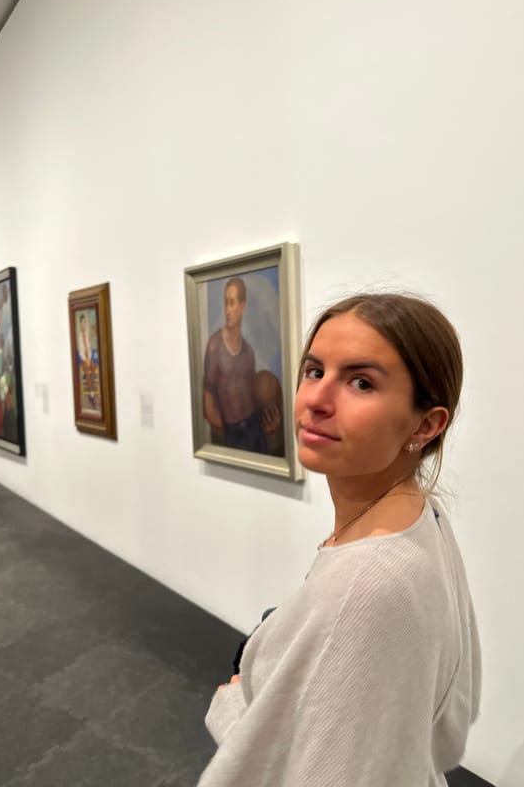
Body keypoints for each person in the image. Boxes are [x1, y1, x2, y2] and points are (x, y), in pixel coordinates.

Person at [197, 292, 481, 787]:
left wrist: (235, 701)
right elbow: (448, 719)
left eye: (361, 382)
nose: (316, 401)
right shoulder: (418, 514)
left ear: (425, 424)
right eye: (314, 371)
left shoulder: (365, 583)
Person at [203, 277, 280, 453]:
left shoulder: (248, 351)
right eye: (225, 303)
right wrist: (228, 433)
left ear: (242, 306)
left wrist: (267, 424)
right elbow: (208, 405)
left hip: (254, 429)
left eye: (231, 303)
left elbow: (253, 396)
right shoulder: (215, 346)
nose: (227, 310)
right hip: (232, 432)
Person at [76, 313, 98, 409]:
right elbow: (81, 351)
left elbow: (89, 348)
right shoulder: (79, 336)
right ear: (80, 323)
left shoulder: (86, 334)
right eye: (83, 322)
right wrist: (85, 359)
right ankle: (92, 395)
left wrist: (89, 358)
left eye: (85, 322)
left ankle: (90, 392)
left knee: (94, 368)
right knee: (88, 372)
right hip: (83, 359)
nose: (84, 324)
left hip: (88, 357)